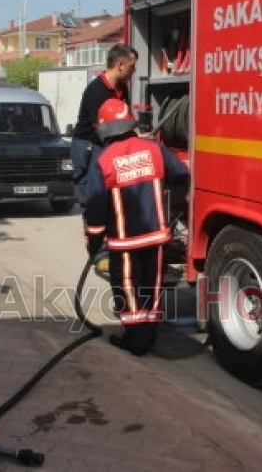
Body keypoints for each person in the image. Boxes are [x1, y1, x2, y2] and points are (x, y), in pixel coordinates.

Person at [83, 99, 190, 356]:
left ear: (104, 129)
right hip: (156, 237)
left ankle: (136, 340)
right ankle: (149, 334)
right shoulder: (153, 148)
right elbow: (179, 173)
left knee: (128, 288)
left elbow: (95, 207)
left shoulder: (103, 160)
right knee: (152, 286)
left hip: (125, 242)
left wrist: (93, 241)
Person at [70, 44, 138, 208]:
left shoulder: (122, 88)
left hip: (105, 144)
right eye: (132, 66)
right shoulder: (96, 90)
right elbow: (104, 129)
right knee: (92, 195)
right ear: (119, 65)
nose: (134, 71)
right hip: (89, 145)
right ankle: (93, 230)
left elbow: (123, 119)